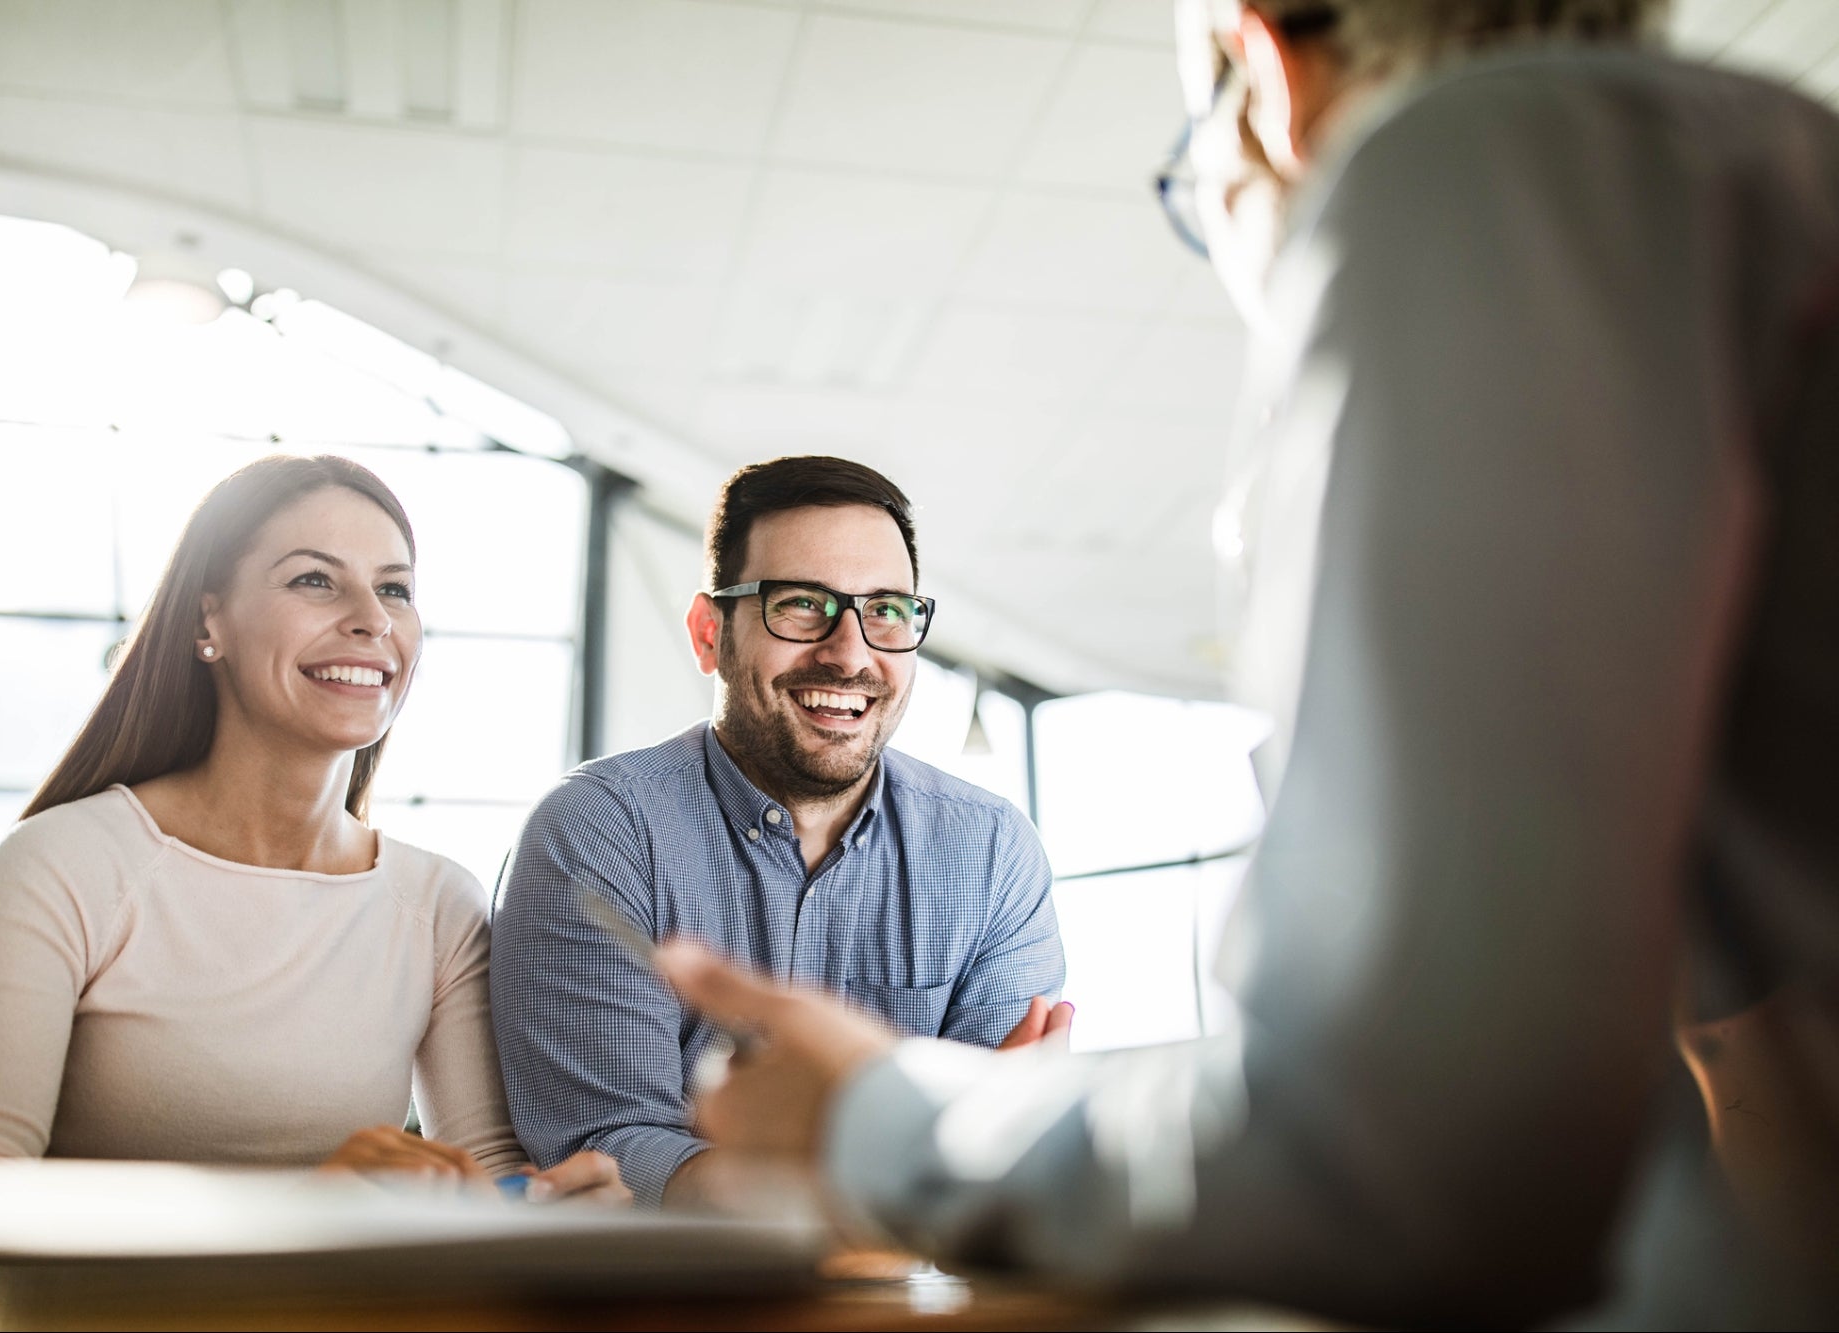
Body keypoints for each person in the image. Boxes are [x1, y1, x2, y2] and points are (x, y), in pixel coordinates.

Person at [656, 0, 1839, 1323]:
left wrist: (876, 1116)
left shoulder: (1483, 164)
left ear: (1263, 62)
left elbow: (1413, 1155)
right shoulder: (1784, 177)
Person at [0, 454, 627, 1204]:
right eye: (314, 579)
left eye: (394, 588)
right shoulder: (66, 864)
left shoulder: (437, 905)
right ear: (208, 619)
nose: (371, 618)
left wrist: (549, 1206)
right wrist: (308, 1211)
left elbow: (483, 1177)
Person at [492, 455, 1069, 1210]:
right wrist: (890, 1170)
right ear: (709, 633)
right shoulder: (598, 832)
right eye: (801, 604)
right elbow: (612, 1143)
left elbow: (999, 1142)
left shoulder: (992, 853)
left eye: (886, 610)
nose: (851, 652)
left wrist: (959, 1153)